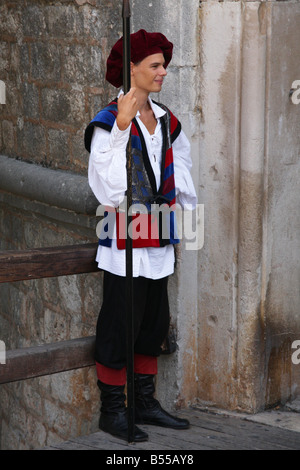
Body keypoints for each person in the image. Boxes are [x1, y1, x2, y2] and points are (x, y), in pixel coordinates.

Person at [84, 29, 197, 442]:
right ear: (131, 69)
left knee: (152, 321)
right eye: (154, 65)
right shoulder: (105, 122)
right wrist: (121, 128)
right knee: (118, 324)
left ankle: (145, 404)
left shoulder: (168, 119)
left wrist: (177, 212)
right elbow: (107, 188)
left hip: (158, 237)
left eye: (163, 64)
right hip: (123, 242)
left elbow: (180, 169)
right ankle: (113, 411)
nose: (162, 71)